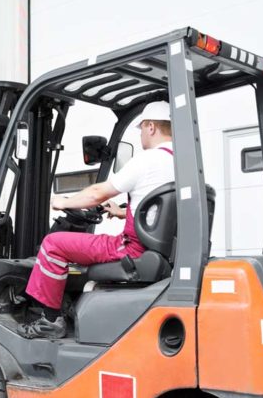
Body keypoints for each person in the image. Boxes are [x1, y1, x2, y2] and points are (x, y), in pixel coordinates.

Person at [18, 101, 176, 339]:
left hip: (132, 249)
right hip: (158, 249)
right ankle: (70, 306)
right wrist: (122, 212)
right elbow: (162, 210)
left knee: (53, 244)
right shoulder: (180, 163)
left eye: (142, 128)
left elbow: (97, 193)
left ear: (151, 127)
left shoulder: (147, 160)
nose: (141, 133)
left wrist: (64, 202)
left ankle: (50, 320)